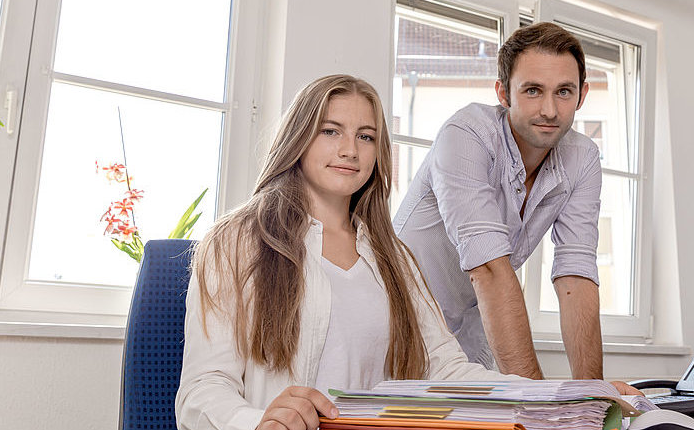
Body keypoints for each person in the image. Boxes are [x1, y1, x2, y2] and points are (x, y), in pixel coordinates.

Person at [175, 74, 524, 430]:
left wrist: (542, 398)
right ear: (299, 137)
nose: (350, 150)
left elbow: (444, 367)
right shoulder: (236, 242)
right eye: (330, 131)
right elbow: (202, 391)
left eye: (366, 136)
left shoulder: (394, 258)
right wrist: (259, 422)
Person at [393, 22, 605, 381]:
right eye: (533, 91)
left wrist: (595, 399)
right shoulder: (466, 135)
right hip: (401, 319)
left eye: (564, 92)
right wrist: (539, 403)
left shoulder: (583, 158)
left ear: (582, 95)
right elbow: (488, 269)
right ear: (503, 93)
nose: (551, 110)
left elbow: (576, 274)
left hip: (475, 332)